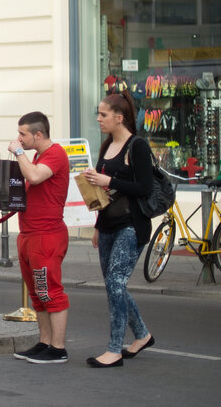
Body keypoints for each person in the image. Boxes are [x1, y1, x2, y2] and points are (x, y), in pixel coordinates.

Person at [81, 90, 155, 368]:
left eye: (103, 114)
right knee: (115, 287)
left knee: (115, 284)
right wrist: (98, 227)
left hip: (131, 225)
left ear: (119, 117)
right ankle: (143, 335)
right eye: (98, 114)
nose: (99, 119)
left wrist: (108, 178)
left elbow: (144, 188)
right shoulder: (105, 146)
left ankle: (114, 350)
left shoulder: (137, 146)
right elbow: (103, 194)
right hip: (108, 224)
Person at [7, 111, 71, 364]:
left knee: (50, 291)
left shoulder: (55, 153)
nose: (19, 139)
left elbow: (34, 176)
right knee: (37, 293)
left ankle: (58, 347)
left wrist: (19, 154)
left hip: (46, 235)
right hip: (30, 233)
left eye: (23, 134)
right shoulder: (37, 156)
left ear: (38, 134)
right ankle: (45, 341)